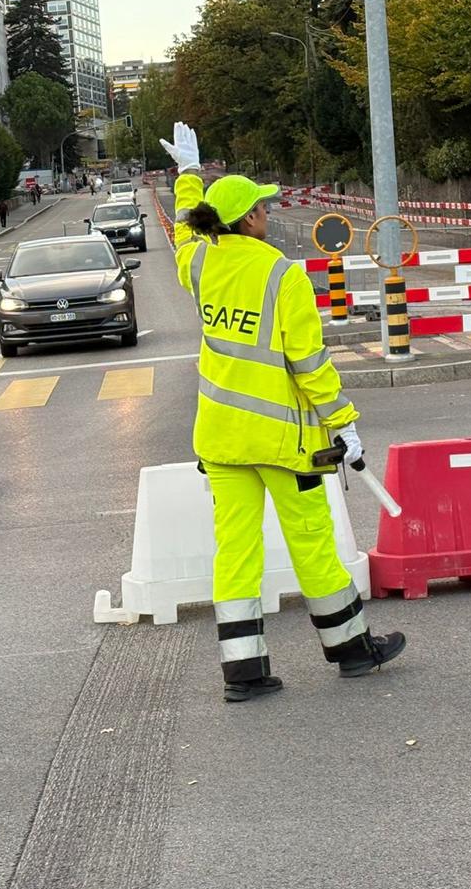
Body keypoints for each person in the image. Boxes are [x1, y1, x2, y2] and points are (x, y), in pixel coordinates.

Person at [164, 120, 406, 701]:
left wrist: (188, 176)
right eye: (262, 209)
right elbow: (310, 366)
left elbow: (185, 227)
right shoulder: (283, 276)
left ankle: (244, 674)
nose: (268, 215)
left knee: (236, 552)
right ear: (249, 218)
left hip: (222, 442)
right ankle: (351, 650)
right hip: (284, 443)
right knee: (312, 544)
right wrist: (344, 424)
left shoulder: (197, 264)